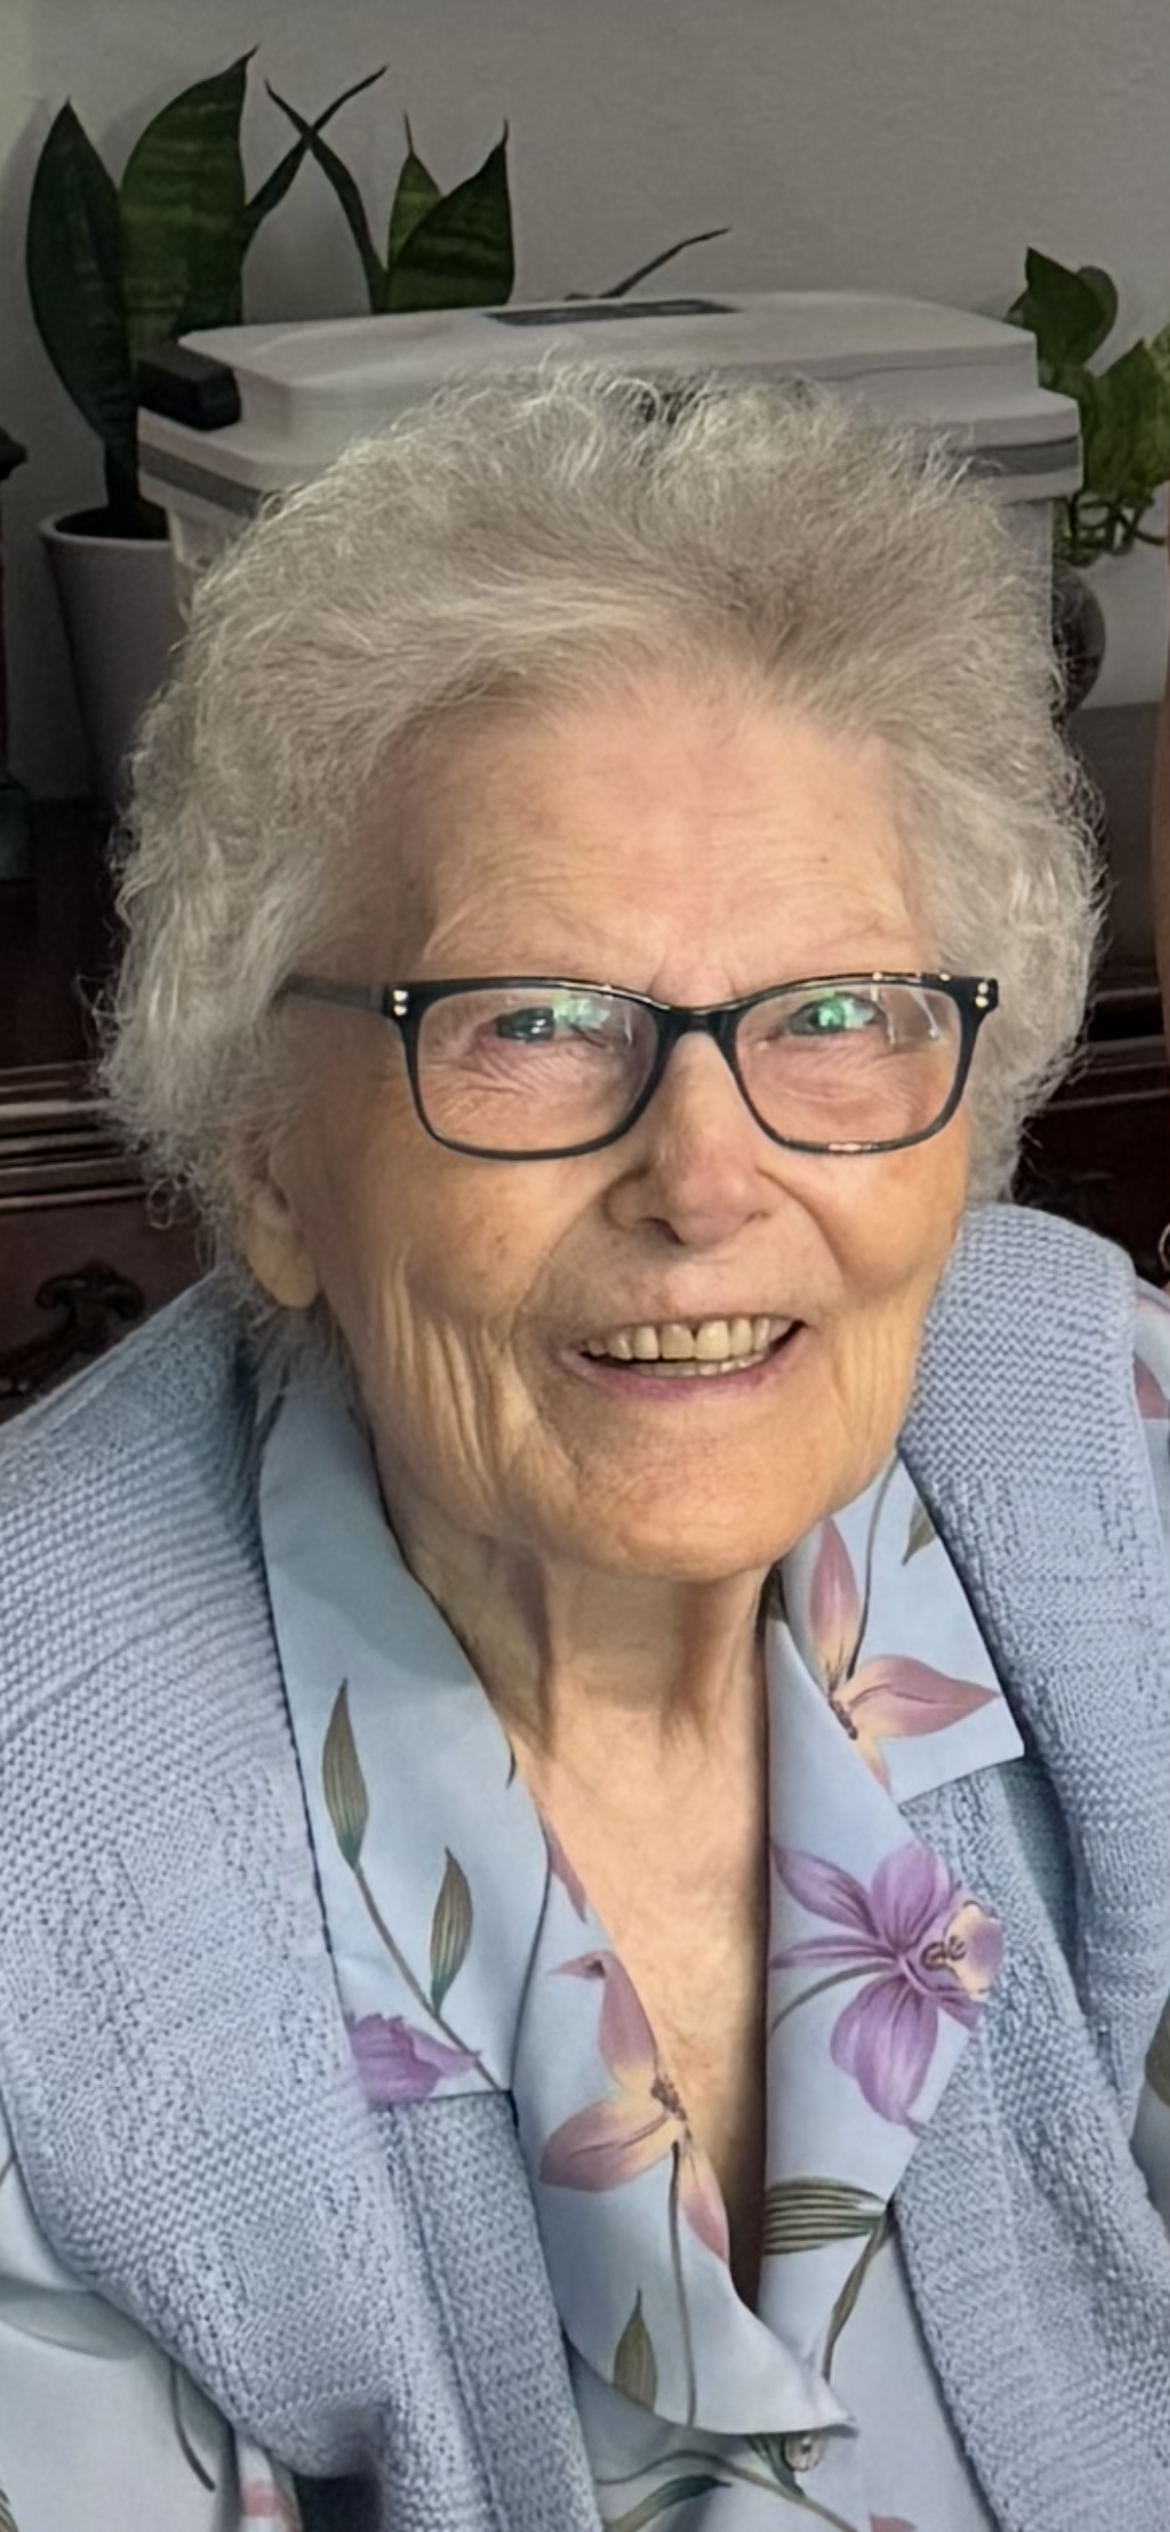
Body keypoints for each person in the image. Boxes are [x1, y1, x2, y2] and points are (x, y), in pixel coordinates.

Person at [2, 363, 1170, 2532]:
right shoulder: (47, 1882)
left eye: (836, 1016)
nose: (708, 1175)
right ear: (271, 1159)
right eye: (534, 1022)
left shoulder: (1099, 1453)